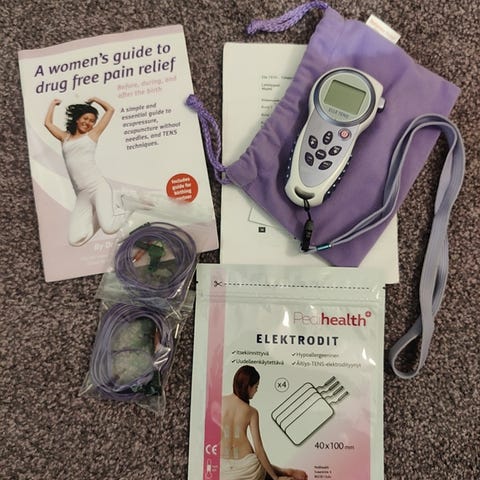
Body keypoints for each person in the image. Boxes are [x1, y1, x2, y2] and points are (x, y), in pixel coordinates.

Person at [44, 97, 130, 246]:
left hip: (97, 187)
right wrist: (52, 104)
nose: (88, 122)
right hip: (82, 195)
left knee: (109, 228)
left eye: (92, 121)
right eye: (85, 118)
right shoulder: (65, 137)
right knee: (75, 240)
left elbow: (110, 110)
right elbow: (48, 123)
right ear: (77, 119)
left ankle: (130, 205)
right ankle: (106, 210)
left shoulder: (92, 135)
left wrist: (95, 99)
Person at [221, 365, 308, 480]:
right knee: (260, 464)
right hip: (248, 468)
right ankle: (283, 472)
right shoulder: (251, 411)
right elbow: (259, 449)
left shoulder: (219, 402)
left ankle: (283, 472)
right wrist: (275, 478)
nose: (256, 391)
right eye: (256, 387)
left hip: (222, 468)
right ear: (248, 386)